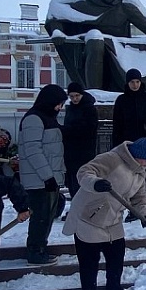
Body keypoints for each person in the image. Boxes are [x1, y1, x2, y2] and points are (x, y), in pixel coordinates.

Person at [62, 137, 146, 290]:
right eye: (144, 160)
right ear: (135, 155)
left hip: (112, 219)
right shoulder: (112, 159)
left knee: (116, 254)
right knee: (90, 261)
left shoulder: (139, 171)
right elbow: (84, 171)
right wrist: (96, 183)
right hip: (88, 215)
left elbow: (140, 197)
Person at [18, 84, 68, 265]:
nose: (59, 108)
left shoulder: (47, 117)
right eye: (58, 104)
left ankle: (40, 248)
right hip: (39, 179)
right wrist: (48, 176)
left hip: (48, 178)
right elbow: (33, 150)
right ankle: (35, 251)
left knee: (47, 216)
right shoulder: (34, 119)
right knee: (40, 217)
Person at [112, 68, 146, 221]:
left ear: (141, 82)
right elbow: (117, 126)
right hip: (128, 147)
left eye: (137, 82)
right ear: (127, 83)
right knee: (129, 179)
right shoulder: (121, 100)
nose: (135, 85)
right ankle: (133, 210)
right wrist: (117, 147)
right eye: (132, 82)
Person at [61, 82, 99, 218]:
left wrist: (67, 130)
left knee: (82, 181)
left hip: (84, 151)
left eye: (77, 96)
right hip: (71, 151)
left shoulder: (89, 108)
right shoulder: (70, 109)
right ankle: (76, 208)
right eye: (72, 96)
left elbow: (88, 129)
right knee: (72, 183)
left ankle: (83, 209)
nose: (75, 99)